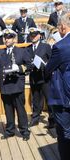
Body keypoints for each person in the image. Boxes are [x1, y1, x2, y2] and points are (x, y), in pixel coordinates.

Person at [0, 29, 31, 141]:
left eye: (9, 37)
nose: (7, 39)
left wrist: (19, 68)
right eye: (5, 37)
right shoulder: (0, 53)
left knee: (20, 110)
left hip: (16, 85)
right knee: (8, 110)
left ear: (14, 39)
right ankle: (10, 130)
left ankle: (24, 131)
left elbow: (29, 65)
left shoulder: (21, 51)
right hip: (5, 86)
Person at [45, 13, 70, 160]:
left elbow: (48, 70)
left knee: (65, 133)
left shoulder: (60, 47)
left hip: (64, 98)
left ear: (62, 27)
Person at [26, 27, 55, 128]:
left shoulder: (46, 46)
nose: (33, 37)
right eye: (31, 35)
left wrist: (46, 65)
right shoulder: (28, 48)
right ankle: (35, 118)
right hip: (34, 77)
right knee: (36, 99)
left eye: (35, 35)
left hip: (45, 77)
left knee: (49, 99)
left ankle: (52, 120)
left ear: (39, 35)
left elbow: (52, 60)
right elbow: (27, 63)